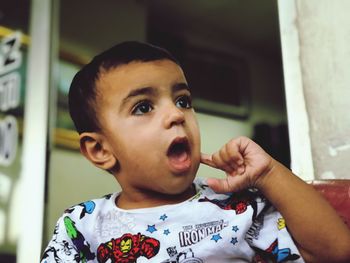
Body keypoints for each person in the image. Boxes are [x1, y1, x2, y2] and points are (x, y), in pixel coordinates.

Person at [41, 41, 350, 263]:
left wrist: (268, 173)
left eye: (182, 100)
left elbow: (337, 251)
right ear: (100, 150)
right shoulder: (82, 226)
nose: (177, 115)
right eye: (144, 107)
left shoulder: (238, 208)